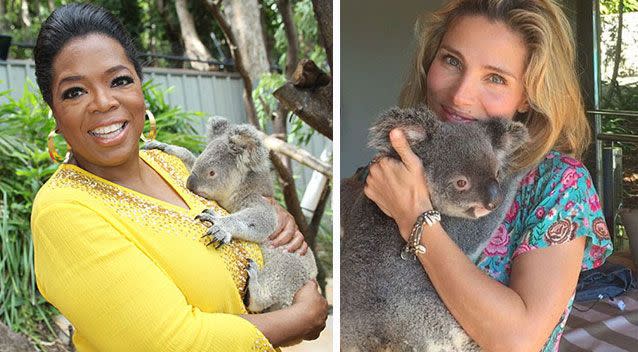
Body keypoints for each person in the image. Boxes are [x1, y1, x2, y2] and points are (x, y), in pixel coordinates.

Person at [30, 3, 327, 351]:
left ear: (140, 88)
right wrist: (302, 317)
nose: (103, 102)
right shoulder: (63, 212)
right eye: (75, 92)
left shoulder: (172, 165)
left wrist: (275, 221)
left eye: (119, 80)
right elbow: (175, 344)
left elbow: (254, 214)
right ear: (55, 112)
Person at [364, 1, 613, 351]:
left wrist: (415, 217)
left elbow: (518, 339)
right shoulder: (392, 172)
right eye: (451, 60)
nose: (460, 95)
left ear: (527, 94)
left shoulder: (558, 185)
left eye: (495, 78)